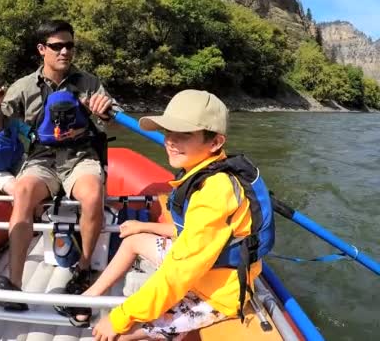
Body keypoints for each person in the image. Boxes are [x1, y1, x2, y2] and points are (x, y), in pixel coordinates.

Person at [66, 90, 274, 340]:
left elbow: (180, 273)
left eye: (184, 135)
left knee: (120, 333)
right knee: (134, 240)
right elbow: (193, 232)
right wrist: (146, 227)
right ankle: (90, 296)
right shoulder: (200, 172)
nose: (170, 141)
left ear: (215, 142)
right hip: (204, 271)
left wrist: (120, 316)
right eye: (167, 132)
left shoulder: (215, 191)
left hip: (215, 293)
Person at [0, 19, 122, 311]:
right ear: (42, 49)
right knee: (23, 192)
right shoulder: (23, 87)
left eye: (69, 45)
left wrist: (104, 112)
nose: (65, 52)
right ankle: (15, 285)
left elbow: (113, 114)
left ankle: (82, 271)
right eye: (57, 46)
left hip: (81, 157)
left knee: (93, 194)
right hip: (42, 158)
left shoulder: (90, 83)